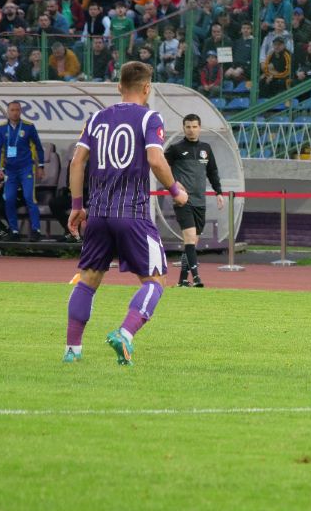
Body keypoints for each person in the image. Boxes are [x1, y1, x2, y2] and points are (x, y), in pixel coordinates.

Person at [64, 62, 189, 365]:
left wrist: (78, 206)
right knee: (155, 280)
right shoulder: (150, 117)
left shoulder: (95, 119)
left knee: (88, 280)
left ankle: (72, 350)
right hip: (132, 214)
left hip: (98, 215)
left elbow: (77, 162)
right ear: (147, 88)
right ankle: (125, 334)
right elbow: (156, 160)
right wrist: (176, 190)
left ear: (119, 87)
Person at [164, 114, 224, 288]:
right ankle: (197, 278)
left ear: (200, 128)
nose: (191, 130)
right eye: (188, 127)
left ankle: (183, 280)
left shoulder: (206, 148)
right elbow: (161, 166)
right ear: (183, 128)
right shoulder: (175, 149)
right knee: (190, 238)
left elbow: (212, 171)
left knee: (192, 243)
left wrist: (218, 192)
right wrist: (174, 183)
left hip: (200, 201)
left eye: (194, 126)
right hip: (183, 200)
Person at [0, 101, 46, 241]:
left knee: (29, 198)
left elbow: (38, 147)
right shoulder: (2, 128)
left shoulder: (28, 127)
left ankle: (36, 230)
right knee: (9, 199)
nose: (15, 112)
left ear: (20, 111)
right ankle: (14, 231)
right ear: (7, 112)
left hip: (26, 168)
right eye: (12, 110)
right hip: (10, 170)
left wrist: (40, 166)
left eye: (17, 110)